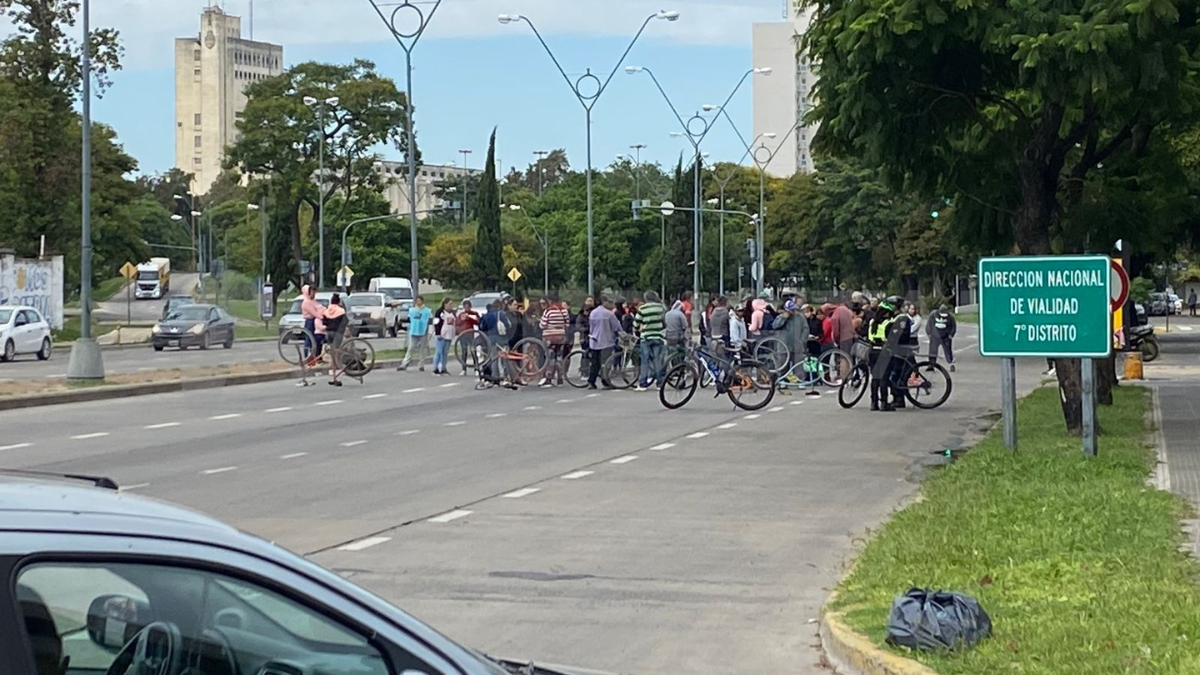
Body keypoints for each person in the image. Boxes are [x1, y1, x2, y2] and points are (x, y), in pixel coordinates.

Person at [587, 296, 623, 389]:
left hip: (594, 341)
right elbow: (617, 327)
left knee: (594, 363)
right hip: (606, 341)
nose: (610, 304)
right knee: (605, 363)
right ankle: (605, 381)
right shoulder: (609, 314)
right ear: (604, 302)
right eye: (609, 302)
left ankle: (591, 381)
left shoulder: (593, 313)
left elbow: (591, 327)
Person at [634, 291, 667, 391]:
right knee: (657, 360)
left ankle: (643, 383)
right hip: (658, 336)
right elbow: (664, 322)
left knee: (645, 360)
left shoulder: (642, 308)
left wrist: (638, 329)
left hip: (646, 337)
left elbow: (636, 323)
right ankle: (660, 383)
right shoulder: (661, 307)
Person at [540, 294, 571, 387]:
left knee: (550, 357)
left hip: (549, 337)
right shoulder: (564, 311)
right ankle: (560, 378)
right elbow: (567, 324)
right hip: (561, 336)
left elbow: (542, 325)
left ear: (550, 301)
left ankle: (549, 377)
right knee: (559, 357)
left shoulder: (548, 311)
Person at [397, 295, 432, 371]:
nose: (418, 302)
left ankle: (421, 365)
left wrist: (430, 333)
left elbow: (430, 322)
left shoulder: (427, 311)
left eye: (420, 301)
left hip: (423, 331)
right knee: (410, 348)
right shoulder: (412, 310)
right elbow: (409, 320)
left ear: (422, 301)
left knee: (423, 349)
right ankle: (404, 363)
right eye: (417, 301)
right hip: (414, 331)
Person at [322, 294, 349, 386]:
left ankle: (333, 375)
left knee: (333, 354)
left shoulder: (327, 311)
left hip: (329, 334)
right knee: (337, 353)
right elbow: (345, 321)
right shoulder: (341, 311)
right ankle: (337, 375)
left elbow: (324, 322)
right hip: (338, 333)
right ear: (338, 302)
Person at [926, 304, 957, 371]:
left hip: (946, 338)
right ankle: (931, 365)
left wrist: (950, 335)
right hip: (934, 337)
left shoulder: (950, 317)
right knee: (932, 352)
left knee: (948, 352)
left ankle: (951, 364)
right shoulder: (933, 315)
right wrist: (929, 334)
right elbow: (929, 325)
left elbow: (953, 327)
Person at [432, 298, 457, 375]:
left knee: (445, 352)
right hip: (441, 335)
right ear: (445, 304)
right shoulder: (440, 312)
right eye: (450, 304)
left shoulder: (453, 313)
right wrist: (438, 333)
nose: (451, 306)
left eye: (452, 304)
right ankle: (436, 368)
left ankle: (443, 368)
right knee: (439, 352)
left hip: (449, 335)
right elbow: (436, 323)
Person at [299, 285, 323, 363]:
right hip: (310, 321)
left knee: (316, 340)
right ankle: (307, 357)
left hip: (315, 321)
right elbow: (314, 313)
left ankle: (316, 357)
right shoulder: (306, 302)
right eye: (312, 292)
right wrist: (322, 317)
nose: (314, 294)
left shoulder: (312, 301)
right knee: (309, 340)